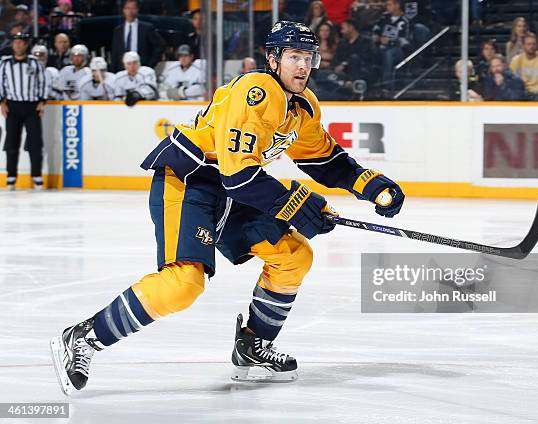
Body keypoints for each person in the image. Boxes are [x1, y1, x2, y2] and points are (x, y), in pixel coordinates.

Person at [50, 21, 405, 394]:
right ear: (273, 59)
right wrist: (296, 205)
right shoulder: (256, 91)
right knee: (184, 283)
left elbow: (324, 159)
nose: (302, 66)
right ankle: (84, 337)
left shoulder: (302, 106)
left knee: (293, 255)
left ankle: (252, 347)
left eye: (308, 57)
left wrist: (370, 184)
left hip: (230, 189)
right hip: (191, 179)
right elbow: (239, 175)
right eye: (294, 57)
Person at [0, 32, 47, 190]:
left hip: (31, 106)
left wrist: (42, 101)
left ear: (26, 45)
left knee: (35, 143)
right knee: (11, 143)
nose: (18, 45)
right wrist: (1, 102)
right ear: (12, 45)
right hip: (12, 106)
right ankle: (11, 177)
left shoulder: (34, 63)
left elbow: (43, 82)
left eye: (21, 42)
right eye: (16, 42)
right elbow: (0, 83)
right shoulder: (5, 63)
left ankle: (37, 176)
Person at [110, 0, 165, 72]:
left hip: (141, 70)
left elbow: (160, 46)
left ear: (137, 10)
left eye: (133, 8)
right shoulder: (118, 30)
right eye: (127, 8)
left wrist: (149, 65)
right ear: (123, 10)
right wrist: (113, 73)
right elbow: (115, 54)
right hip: (122, 71)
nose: (130, 11)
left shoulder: (146, 28)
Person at [373, 0, 410, 85]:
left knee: (388, 53)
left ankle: (386, 83)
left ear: (397, 5)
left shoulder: (404, 20)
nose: (387, 7)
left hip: (398, 50)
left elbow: (405, 41)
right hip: (381, 47)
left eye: (389, 5)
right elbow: (376, 30)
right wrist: (377, 38)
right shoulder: (383, 17)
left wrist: (389, 41)